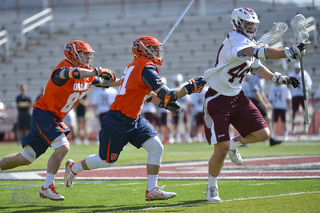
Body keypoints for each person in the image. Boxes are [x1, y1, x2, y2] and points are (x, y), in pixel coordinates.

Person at [63, 35, 206, 201]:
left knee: (156, 147)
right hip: (118, 120)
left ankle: (152, 189)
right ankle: (74, 168)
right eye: (153, 49)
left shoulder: (136, 65)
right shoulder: (146, 67)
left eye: (157, 49)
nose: (157, 52)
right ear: (142, 50)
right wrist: (189, 87)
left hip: (134, 118)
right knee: (106, 160)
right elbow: (167, 94)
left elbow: (144, 94)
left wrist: (163, 103)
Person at [202, 7, 304, 202]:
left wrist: (278, 78)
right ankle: (211, 186)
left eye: (252, 25)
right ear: (237, 23)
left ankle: (234, 144)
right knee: (220, 149)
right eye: (247, 24)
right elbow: (255, 52)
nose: (250, 27)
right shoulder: (235, 40)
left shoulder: (247, 41)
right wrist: (288, 52)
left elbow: (254, 65)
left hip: (237, 96)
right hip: (218, 98)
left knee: (263, 134)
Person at [0, 40, 117, 201]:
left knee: (25, 158)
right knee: (63, 147)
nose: (88, 58)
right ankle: (47, 186)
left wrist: (130, 81)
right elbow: (71, 73)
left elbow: (108, 83)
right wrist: (96, 72)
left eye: (89, 55)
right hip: (45, 114)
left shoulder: (87, 74)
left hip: (52, 117)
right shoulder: (62, 69)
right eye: (84, 54)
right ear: (73, 54)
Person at [246, 74, 282, 146]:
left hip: (256, 100)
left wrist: (266, 102)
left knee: (265, 118)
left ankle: (271, 138)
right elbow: (256, 92)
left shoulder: (262, 79)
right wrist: (263, 104)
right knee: (265, 118)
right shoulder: (255, 78)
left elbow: (261, 92)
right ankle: (270, 138)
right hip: (253, 100)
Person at [288, 61, 312, 134]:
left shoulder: (305, 74)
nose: (297, 70)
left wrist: (306, 88)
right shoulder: (291, 74)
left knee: (306, 110)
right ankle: (293, 123)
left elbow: (309, 84)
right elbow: (288, 85)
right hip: (295, 94)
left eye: (298, 68)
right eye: (296, 68)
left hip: (303, 94)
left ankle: (305, 123)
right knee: (294, 110)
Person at [168, 73, 193, 143]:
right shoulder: (172, 87)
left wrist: (184, 106)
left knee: (186, 122)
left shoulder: (183, 86)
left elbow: (187, 100)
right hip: (175, 108)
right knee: (175, 122)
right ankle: (177, 136)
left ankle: (187, 136)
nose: (177, 83)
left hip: (183, 107)